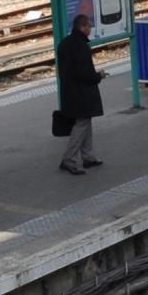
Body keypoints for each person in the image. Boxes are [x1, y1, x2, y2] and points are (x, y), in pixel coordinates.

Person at [55, 12, 104, 175]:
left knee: (85, 122)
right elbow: (84, 73)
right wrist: (98, 76)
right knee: (81, 125)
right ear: (82, 27)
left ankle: (88, 157)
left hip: (69, 91)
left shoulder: (64, 43)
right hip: (81, 93)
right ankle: (68, 159)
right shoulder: (81, 46)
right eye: (89, 26)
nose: (90, 29)